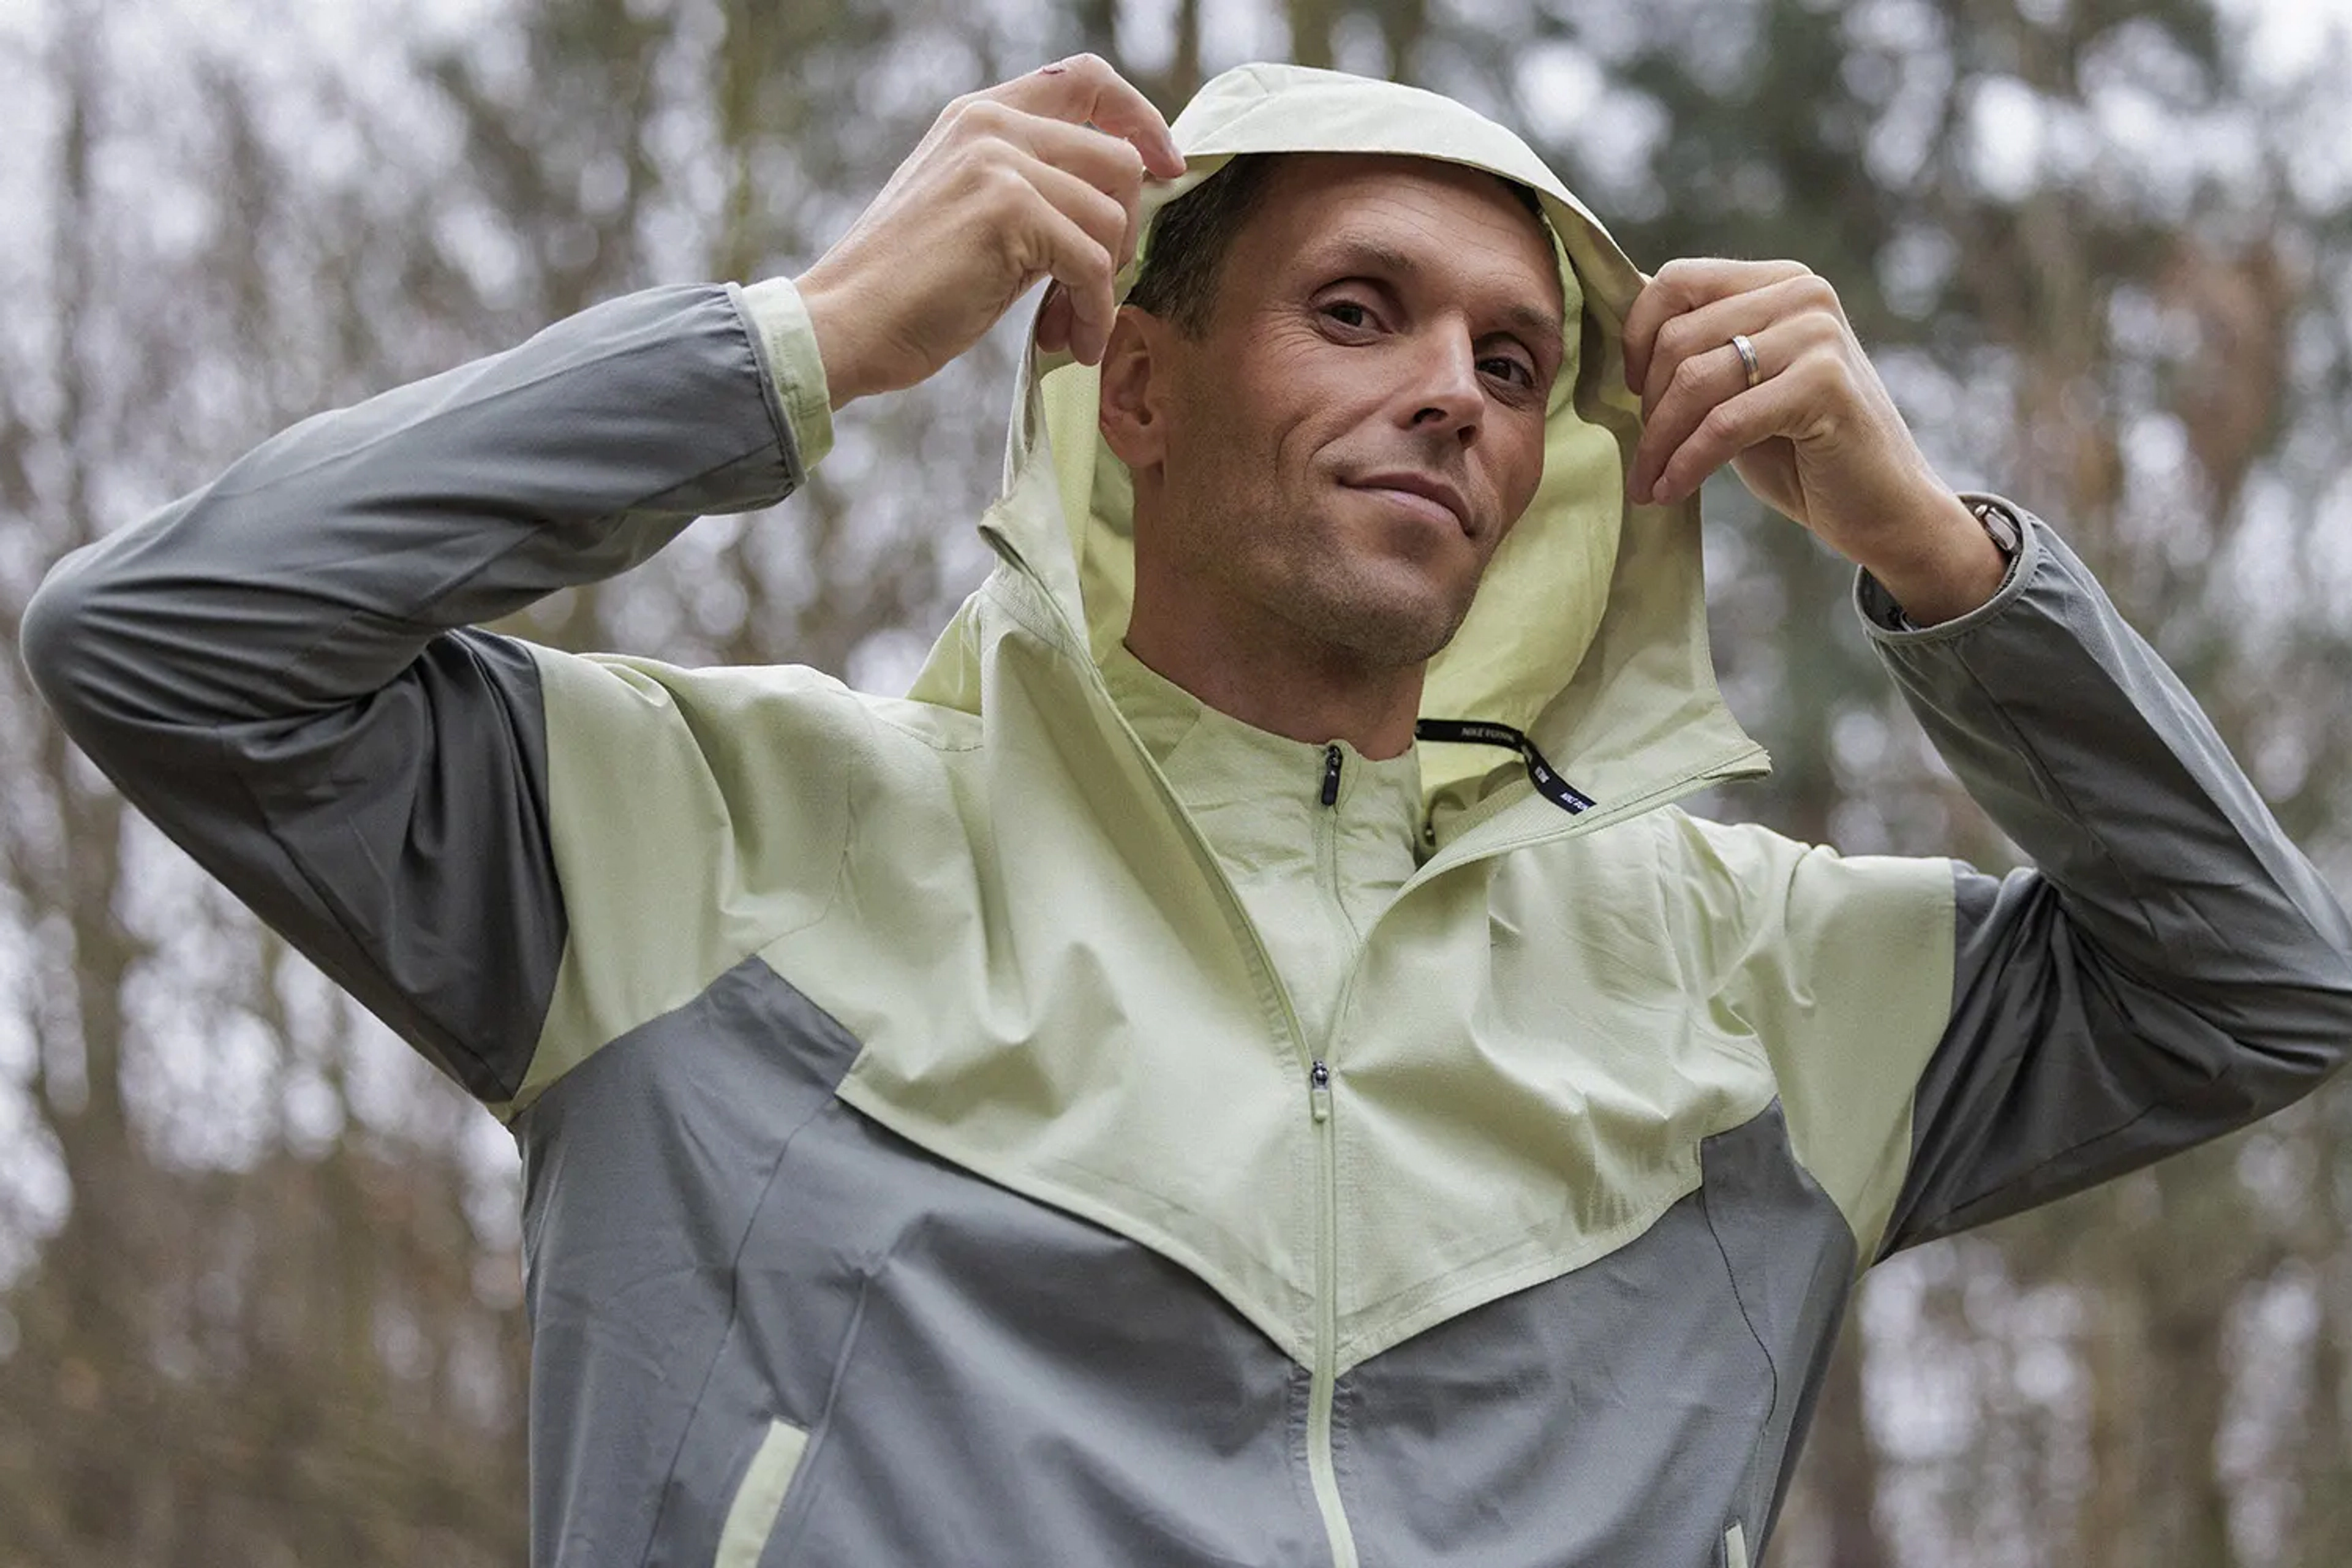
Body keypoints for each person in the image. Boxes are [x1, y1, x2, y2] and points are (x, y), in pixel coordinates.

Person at [21, 53, 2351, 1567]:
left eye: (1513, 361)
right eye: (1358, 311)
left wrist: (1945, 558)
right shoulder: (714, 836)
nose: (1453, 392)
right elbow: (167, 643)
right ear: (1133, 382)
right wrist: (804, 339)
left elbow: (2255, 988)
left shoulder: (1739, 968)